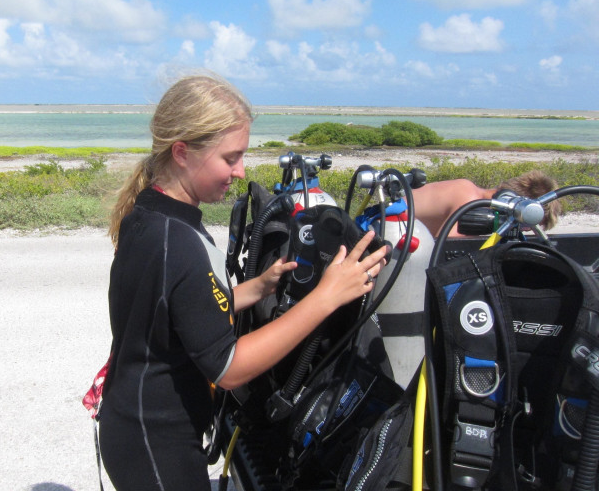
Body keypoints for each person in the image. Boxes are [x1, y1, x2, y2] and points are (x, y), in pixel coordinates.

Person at [98, 73, 388, 491]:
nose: (240, 171)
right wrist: (326, 297)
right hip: (156, 443)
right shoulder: (178, 242)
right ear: (182, 152)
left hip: (131, 420)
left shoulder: (150, 215)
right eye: (230, 157)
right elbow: (229, 367)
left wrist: (256, 288)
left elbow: (177, 310)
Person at [411, 170, 562, 238]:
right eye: (524, 225)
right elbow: (447, 247)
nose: (521, 230)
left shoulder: (471, 194)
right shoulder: (468, 197)